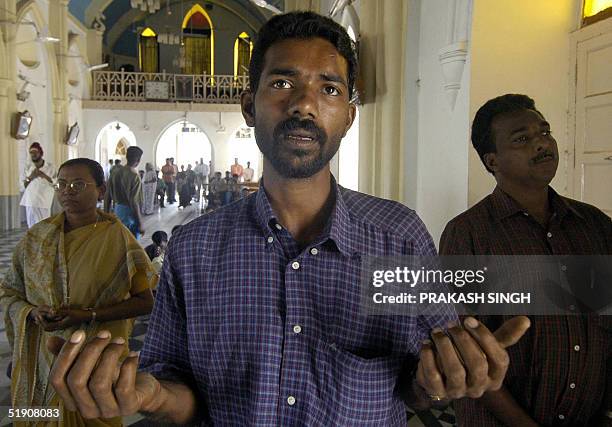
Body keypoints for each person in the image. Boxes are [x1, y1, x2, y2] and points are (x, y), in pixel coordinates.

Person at [47, 12, 529, 425]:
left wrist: (450, 375)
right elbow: (179, 388)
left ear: (348, 117)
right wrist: (149, 396)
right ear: (248, 106)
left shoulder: (396, 238)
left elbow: (416, 385)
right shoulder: (194, 250)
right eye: (282, 83)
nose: (303, 103)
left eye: (329, 88)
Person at [439, 94, 612, 426]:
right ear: (493, 161)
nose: (541, 143)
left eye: (544, 132)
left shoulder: (595, 227)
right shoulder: (470, 235)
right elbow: (466, 350)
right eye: (522, 139)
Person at [1, 158, 155, 426]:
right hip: (42, 358)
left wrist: (88, 315)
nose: (67, 190)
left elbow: (145, 302)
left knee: (95, 416)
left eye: (78, 184)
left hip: (96, 363)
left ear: (101, 190)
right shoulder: (37, 237)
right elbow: (9, 293)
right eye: (61, 184)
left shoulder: (118, 239)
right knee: (36, 416)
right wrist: (32, 312)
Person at [104, 146, 145, 239]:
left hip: (117, 211)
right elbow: (134, 202)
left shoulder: (115, 173)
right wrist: (140, 223)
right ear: (138, 160)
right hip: (130, 215)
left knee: (119, 242)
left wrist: (106, 215)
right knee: (132, 245)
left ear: (126, 157)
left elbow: (107, 196)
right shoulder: (134, 176)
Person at [20, 142, 56, 228]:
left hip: (44, 201)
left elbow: (56, 183)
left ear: (40, 153)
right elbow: (23, 185)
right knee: (31, 226)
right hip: (30, 201)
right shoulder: (28, 167)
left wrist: (43, 175)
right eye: (31, 153)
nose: (33, 155)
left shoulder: (50, 167)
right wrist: (31, 177)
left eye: (35, 152)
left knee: (43, 225)